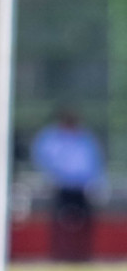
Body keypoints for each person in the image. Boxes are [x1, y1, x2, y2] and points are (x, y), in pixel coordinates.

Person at [31, 110, 103, 262]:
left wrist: (94, 183)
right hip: (60, 186)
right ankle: (59, 255)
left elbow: (94, 162)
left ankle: (82, 255)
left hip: (82, 187)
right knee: (60, 222)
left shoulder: (85, 138)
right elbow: (43, 160)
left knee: (84, 222)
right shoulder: (51, 138)